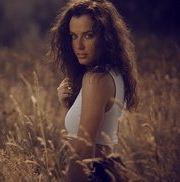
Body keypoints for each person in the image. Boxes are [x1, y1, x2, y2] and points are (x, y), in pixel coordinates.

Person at [48, 0, 139, 181]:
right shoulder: (113, 73)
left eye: (88, 35)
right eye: (73, 36)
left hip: (96, 175)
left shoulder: (95, 79)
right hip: (107, 171)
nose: (79, 46)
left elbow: (83, 151)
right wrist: (70, 106)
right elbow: (94, 131)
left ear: (106, 37)